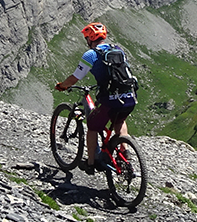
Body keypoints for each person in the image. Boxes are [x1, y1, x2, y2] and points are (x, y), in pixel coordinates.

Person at [55, 22, 136, 173]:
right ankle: (125, 150)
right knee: (120, 120)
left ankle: (91, 163)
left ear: (90, 38)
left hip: (110, 99)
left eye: (86, 38)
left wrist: (63, 85)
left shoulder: (91, 54)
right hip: (129, 95)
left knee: (92, 127)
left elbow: (75, 78)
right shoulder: (117, 49)